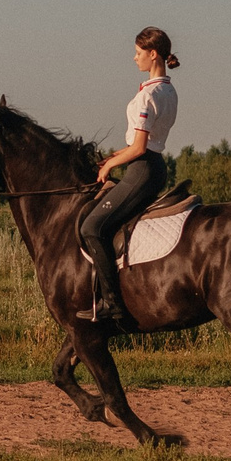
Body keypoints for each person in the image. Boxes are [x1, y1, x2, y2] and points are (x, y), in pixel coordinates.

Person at [79, 27, 180, 328]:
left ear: (153, 54)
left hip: (142, 170)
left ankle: (112, 304)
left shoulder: (148, 95)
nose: (134, 57)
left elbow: (138, 148)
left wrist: (109, 167)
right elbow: (143, 145)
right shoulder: (169, 90)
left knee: (92, 227)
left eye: (138, 52)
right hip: (155, 166)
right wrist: (110, 158)